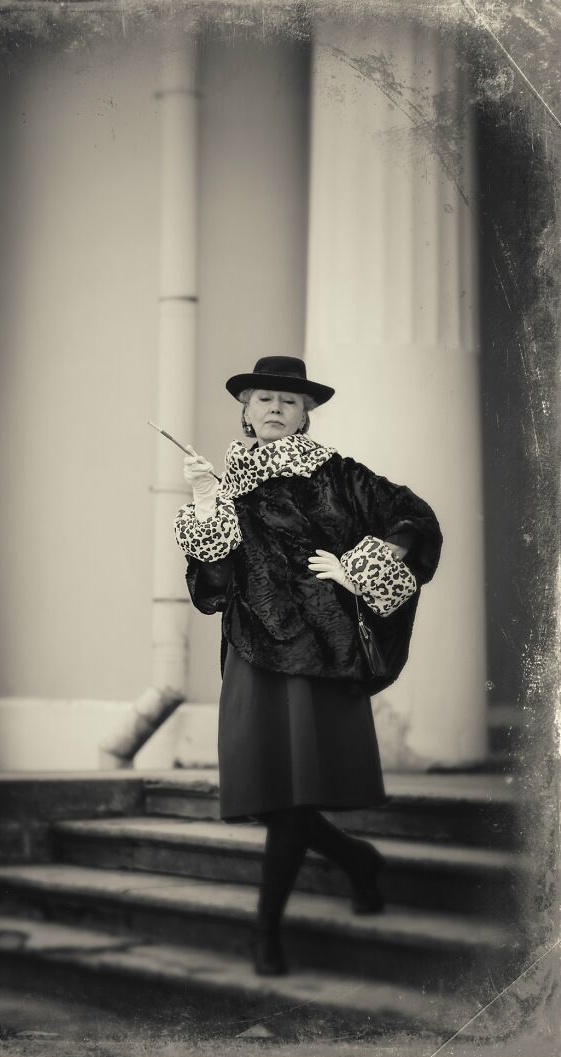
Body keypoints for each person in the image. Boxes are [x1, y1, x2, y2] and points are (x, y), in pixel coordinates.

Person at [173, 356, 442, 976]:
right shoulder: (226, 484)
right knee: (269, 795)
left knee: (291, 798)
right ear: (245, 410)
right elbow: (212, 588)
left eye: (287, 402)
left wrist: (361, 568)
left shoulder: (341, 476)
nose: (274, 408)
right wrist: (203, 498)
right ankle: (356, 861)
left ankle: (265, 932)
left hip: (321, 654)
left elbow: (416, 521)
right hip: (252, 650)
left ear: (305, 413)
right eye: (263, 398)